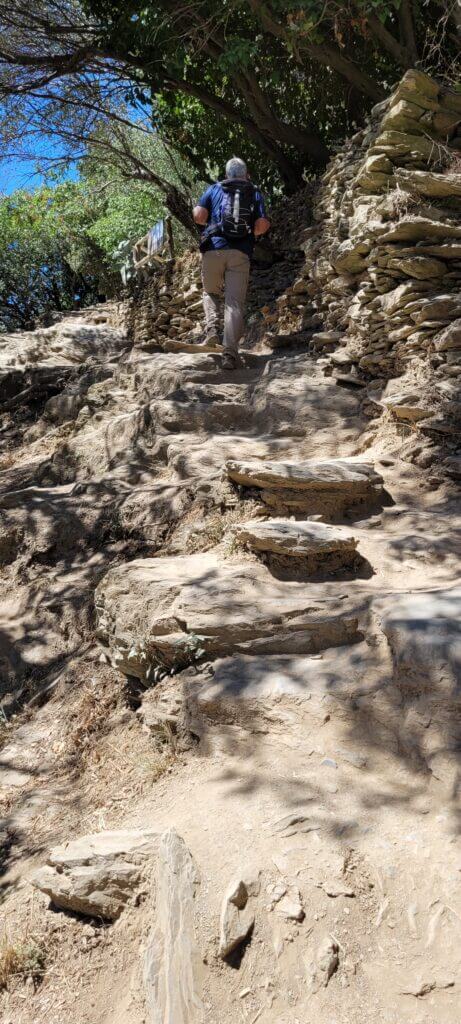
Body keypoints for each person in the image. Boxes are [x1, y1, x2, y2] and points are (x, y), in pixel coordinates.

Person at [193, 157, 270, 370]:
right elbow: (262, 224)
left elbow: (199, 215)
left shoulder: (214, 189)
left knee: (210, 292)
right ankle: (229, 355)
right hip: (240, 252)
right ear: (246, 174)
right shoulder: (254, 192)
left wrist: (208, 222)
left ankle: (211, 331)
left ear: (227, 174)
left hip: (214, 249)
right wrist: (250, 234)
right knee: (234, 303)